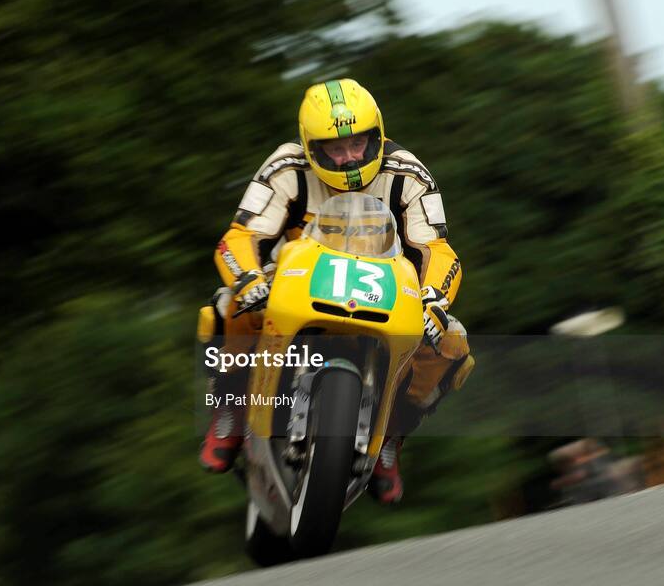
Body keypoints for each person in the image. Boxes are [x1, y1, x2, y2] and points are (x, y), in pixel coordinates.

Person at [198, 78, 473, 504]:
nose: (348, 158)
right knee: (225, 308)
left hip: (384, 285)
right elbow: (240, 236)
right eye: (334, 148)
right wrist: (250, 278)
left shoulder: (409, 174)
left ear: (377, 135)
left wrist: (434, 299)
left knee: (451, 345)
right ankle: (230, 408)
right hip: (295, 278)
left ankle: (390, 439)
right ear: (311, 147)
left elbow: (435, 248)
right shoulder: (284, 166)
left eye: (358, 144)